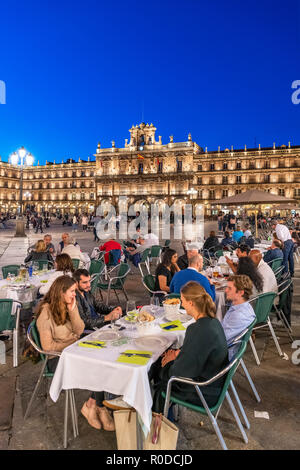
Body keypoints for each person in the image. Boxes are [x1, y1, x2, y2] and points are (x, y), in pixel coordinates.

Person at [36, 275, 115, 431]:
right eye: (72, 291)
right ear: (61, 292)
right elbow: (47, 346)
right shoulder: (45, 313)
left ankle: (93, 405)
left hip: (72, 351)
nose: (74, 294)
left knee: (105, 357)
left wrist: (73, 311)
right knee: (97, 366)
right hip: (57, 359)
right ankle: (98, 407)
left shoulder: (66, 305)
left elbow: (79, 330)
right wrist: (72, 341)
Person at [152, 282, 228, 413]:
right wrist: (177, 355)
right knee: (164, 362)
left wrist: (170, 361)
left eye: (183, 301)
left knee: (159, 370)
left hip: (202, 390)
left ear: (191, 303)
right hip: (215, 381)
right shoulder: (213, 322)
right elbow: (198, 351)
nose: (182, 304)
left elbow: (180, 371)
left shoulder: (196, 329)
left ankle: (156, 420)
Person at [222, 275, 256, 357]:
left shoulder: (239, 316)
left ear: (240, 292)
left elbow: (221, 341)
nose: (225, 290)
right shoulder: (243, 306)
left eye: (229, 288)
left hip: (223, 356)